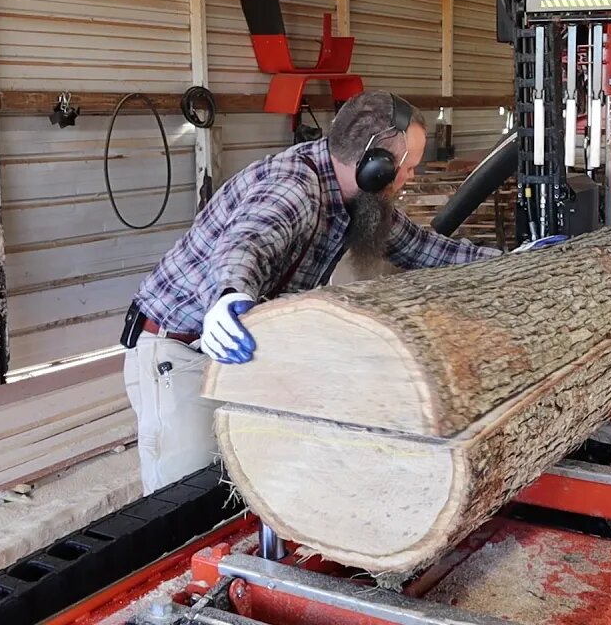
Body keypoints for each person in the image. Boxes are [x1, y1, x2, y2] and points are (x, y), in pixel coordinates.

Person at [120, 90, 564, 494]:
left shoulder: (355, 200)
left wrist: (515, 260)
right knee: (185, 496)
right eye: (406, 169)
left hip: (240, 349)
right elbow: (248, 240)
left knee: (256, 478)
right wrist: (229, 296)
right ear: (375, 166)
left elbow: (425, 248)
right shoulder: (295, 187)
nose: (409, 179)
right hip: (179, 348)